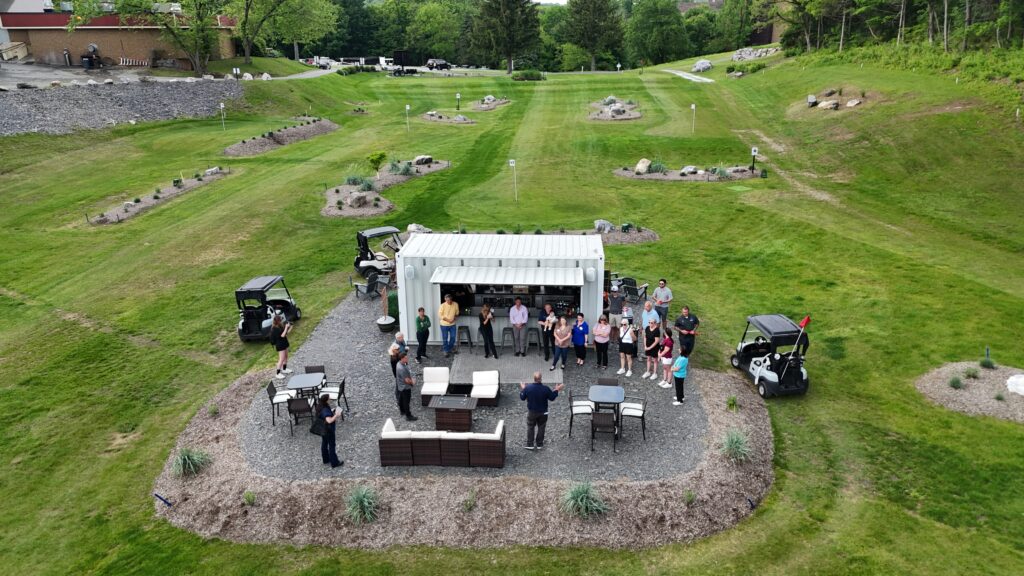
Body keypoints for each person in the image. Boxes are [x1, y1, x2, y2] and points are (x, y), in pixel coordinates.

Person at [518, 371, 564, 450]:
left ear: (534, 379)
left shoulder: (528, 388)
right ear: (541, 379)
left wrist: (523, 389)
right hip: (543, 412)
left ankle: (530, 444)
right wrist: (557, 390)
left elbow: (522, 398)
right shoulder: (545, 389)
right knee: (541, 427)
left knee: (530, 427)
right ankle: (539, 444)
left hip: (532, 412)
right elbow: (552, 398)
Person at [317, 394, 344, 468]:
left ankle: (325, 459)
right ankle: (334, 462)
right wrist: (336, 415)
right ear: (326, 400)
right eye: (329, 398)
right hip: (328, 430)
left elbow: (323, 415)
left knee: (324, 443)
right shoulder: (325, 409)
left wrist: (332, 411)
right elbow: (329, 421)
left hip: (322, 429)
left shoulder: (320, 406)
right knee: (332, 445)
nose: (330, 399)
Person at [394, 352, 418, 421]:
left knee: (401, 398)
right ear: (402, 358)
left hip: (400, 386)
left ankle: (402, 411)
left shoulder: (398, 364)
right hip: (405, 387)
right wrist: (413, 382)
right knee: (406, 401)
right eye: (406, 358)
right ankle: (408, 415)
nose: (407, 359)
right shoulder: (401, 369)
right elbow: (407, 380)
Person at [270, 314, 292, 379]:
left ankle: (284, 369)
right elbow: (282, 335)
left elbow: (285, 334)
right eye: (281, 320)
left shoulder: (280, 326)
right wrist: (285, 327)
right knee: (281, 359)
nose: (282, 321)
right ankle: (278, 373)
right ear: (278, 321)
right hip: (280, 345)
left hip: (284, 343)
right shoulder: (274, 329)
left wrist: (290, 327)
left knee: (286, 357)